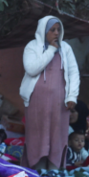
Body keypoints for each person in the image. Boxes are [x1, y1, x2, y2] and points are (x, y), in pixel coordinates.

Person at [20, 16, 80, 169]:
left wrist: (72, 96)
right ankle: (37, 168)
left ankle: (54, 171)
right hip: (36, 103)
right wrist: (51, 50)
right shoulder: (32, 47)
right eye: (52, 30)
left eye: (58, 30)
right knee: (37, 136)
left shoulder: (65, 48)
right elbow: (31, 69)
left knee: (57, 136)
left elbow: (74, 72)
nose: (56, 33)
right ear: (43, 31)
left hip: (60, 104)